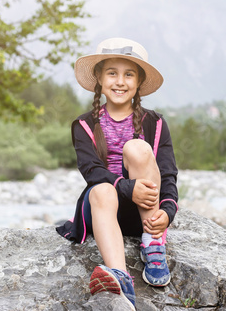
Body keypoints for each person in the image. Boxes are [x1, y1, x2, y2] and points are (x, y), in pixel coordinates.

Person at [56, 38, 179, 310]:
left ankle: (153, 243)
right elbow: (92, 171)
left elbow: (168, 174)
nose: (120, 81)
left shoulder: (156, 123)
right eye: (112, 73)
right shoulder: (83, 125)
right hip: (103, 210)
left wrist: (167, 213)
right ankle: (121, 279)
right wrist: (127, 187)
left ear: (138, 82)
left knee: (137, 149)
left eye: (129, 74)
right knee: (101, 188)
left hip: (142, 211)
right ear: (99, 78)